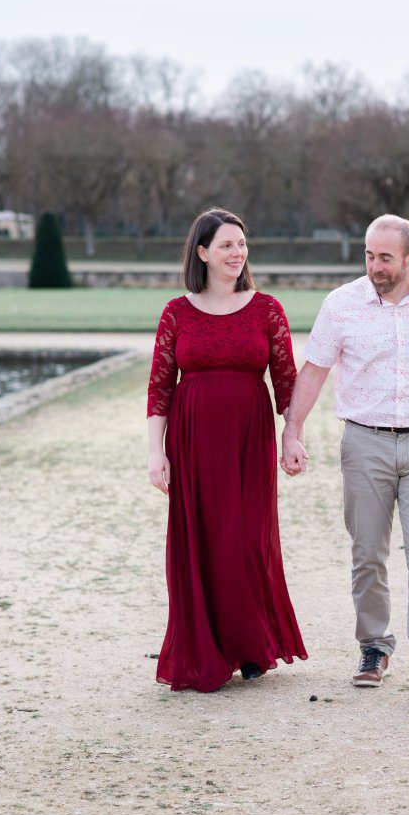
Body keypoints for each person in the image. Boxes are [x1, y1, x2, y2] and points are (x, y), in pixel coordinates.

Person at [281, 214, 409, 696]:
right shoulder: (342, 305)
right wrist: (292, 429)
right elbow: (313, 371)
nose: (375, 265)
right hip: (365, 442)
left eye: (386, 257)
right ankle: (375, 646)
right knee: (367, 552)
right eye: (370, 255)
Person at [147, 207, 307, 692]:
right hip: (192, 438)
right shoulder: (177, 311)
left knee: (246, 537)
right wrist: (157, 453)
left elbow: (287, 383)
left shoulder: (267, 309)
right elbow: (159, 388)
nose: (237, 253)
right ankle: (207, 647)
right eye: (226, 246)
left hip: (248, 437)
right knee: (201, 540)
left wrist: (293, 436)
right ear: (202, 252)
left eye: (241, 244)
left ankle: (251, 645)